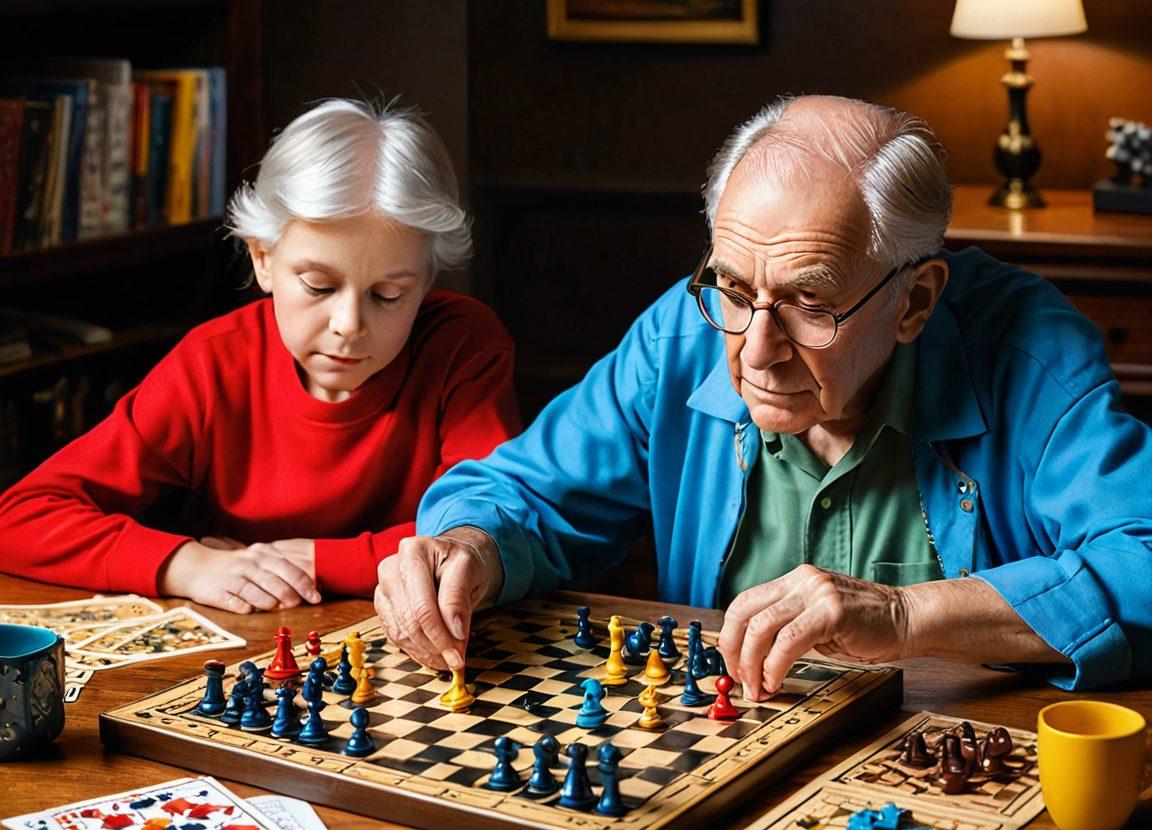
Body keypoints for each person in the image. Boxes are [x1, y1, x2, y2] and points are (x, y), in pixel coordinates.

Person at [373, 95, 1152, 693]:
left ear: (914, 302)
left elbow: (1143, 563)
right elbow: (520, 494)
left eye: (812, 305)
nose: (755, 350)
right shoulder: (676, 339)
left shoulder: (1030, 354)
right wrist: (467, 543)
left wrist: (907, 614)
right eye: (735, 289)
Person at [0, 98, 520, 613]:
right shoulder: (214, 363)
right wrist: (188, 565)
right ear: (263, 259)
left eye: (388, 295)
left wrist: (318, 560)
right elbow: (19, 518)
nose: (349, 325)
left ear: (428, 280)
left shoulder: (462, 347)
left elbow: (485, 536)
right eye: (318, 285)